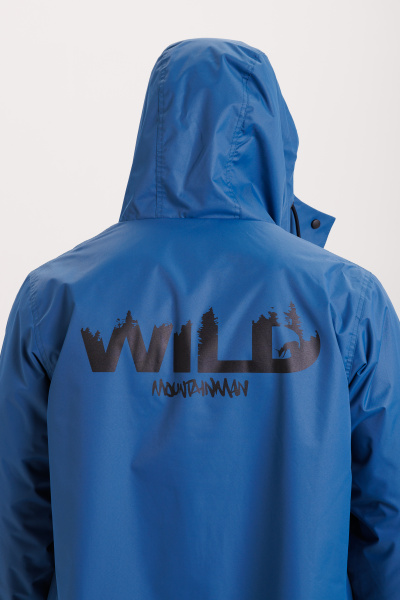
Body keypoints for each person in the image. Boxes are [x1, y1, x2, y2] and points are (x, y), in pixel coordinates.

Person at [0, 38, 399, 600]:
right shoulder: (345, 300)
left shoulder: (55, 297)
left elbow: (18, 521)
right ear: (272, 138)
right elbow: (386, 516)